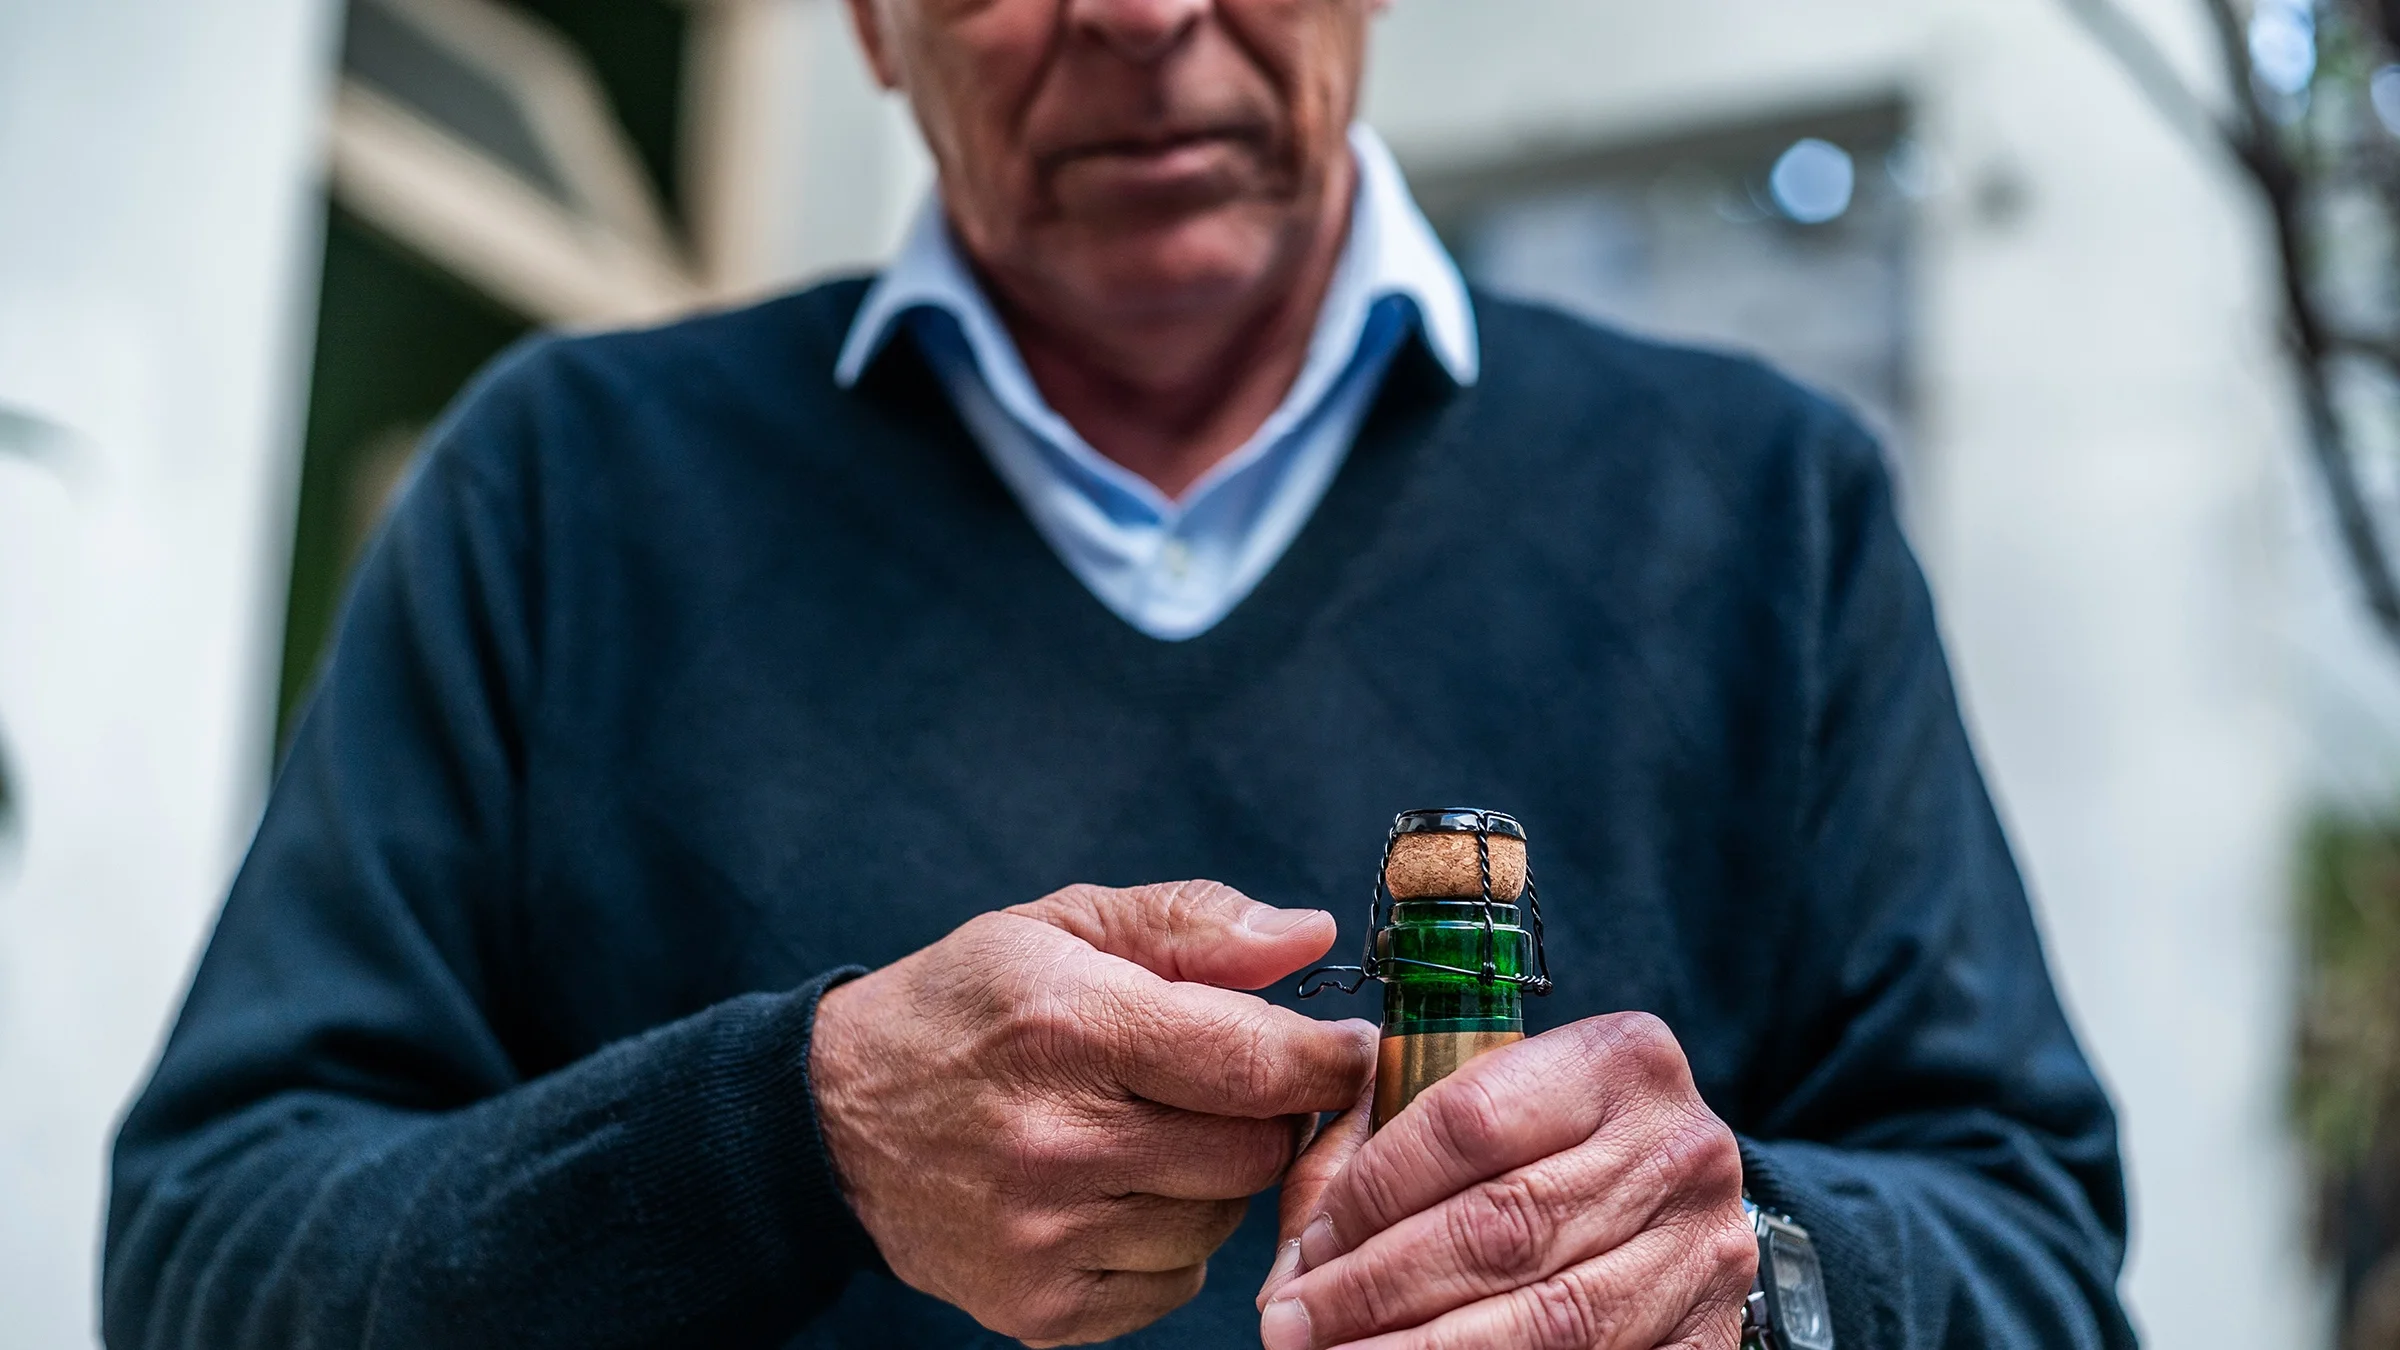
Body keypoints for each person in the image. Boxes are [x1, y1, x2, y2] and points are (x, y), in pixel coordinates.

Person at [104, 0, 2139, 1346]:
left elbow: (2045, 1259)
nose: (1148, 16)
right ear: (869, 26)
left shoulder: (1764, 504)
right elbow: (200, 1262)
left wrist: (1758, 1276)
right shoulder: (562, 488)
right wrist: (785, 1131)